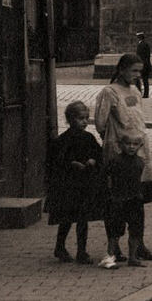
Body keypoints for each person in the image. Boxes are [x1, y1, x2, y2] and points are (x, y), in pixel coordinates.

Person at [93, 53, 152, 261]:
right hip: (119, 152)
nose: (138, 75)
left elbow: (139, 118)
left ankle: (138, 245)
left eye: (140, 71)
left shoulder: (135, 90)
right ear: (121, 69)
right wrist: (115, 144)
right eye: (134, 71)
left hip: (139, 150)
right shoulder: (109, 92)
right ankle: (115, 247)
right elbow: (100, 123)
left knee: (137, 201)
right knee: (116, 203)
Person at [47, 101, 104, 264]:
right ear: (70, 119)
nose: (85, 122)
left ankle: (82, 251)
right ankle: (60, 247)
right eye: (81, 118)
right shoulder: (63, 140)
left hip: (84, 184)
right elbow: (57, 161)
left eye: (86, 118)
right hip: (69, 185)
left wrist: (93, 160)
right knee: (66, 218)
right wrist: (72, 164)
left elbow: (98, 153)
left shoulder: (89, 138)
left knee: (83, 219)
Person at [101, 133, 152, 269]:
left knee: (136, 229)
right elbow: (106, 176)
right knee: (115, 230)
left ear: (140, 146)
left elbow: (142, 180)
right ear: (120, 145)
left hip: (135, 200)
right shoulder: (115, 161)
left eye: (135, 144)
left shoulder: (140, 162)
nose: (131, 147)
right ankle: (110, 256)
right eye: (128, 144)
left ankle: (133, 256)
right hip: (118, 199)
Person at [135, 33, 152, 98]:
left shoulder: (141, 45)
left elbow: (140, 56)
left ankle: (139, 93)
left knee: (138, 80)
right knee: (145, 80)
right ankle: (145, 94)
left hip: (142, 65)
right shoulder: (146, 44)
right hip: (146, 65)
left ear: (139, 38)